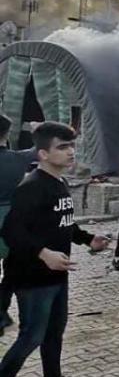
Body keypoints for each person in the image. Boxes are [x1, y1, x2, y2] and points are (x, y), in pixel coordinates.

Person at [0, 122, 109, 377]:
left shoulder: (59, 182)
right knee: (31, 337)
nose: (71, 152)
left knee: (54, 331)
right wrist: (43, 253)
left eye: (71, 145)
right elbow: (11, 231)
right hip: (33, 277)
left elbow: (64, 222)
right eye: (62, 147)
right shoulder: (32, 186)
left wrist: (88, 239)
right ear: (43, 154)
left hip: (58, 274)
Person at [0, 117, 39, 336]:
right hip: (12, 220)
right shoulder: (18, 159)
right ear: (7, 134)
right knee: (12, 269)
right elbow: (38, 150)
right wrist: (36, 130)